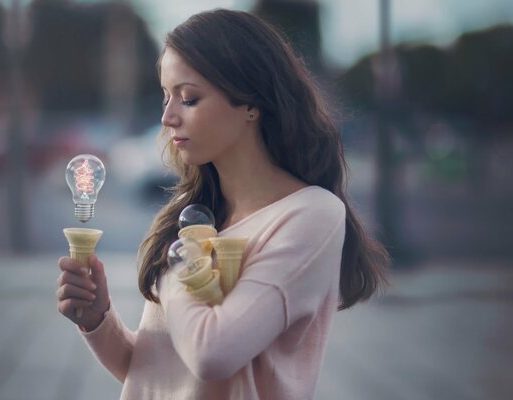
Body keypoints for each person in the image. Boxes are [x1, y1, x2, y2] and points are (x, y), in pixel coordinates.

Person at [56, 9, 389, 400]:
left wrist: (183, 258)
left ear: (250, 102)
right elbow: (152, 373)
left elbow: (212, 353)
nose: (167, 117)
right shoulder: (193, 209)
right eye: (166, 97)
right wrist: (98, 318)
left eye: (189, 98)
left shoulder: (311, 215)